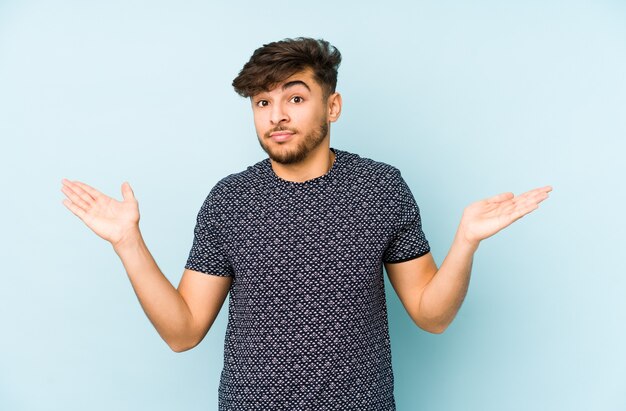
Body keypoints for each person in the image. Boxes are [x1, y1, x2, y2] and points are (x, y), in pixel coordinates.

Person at [61, 37, 552, 410]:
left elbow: (431, 314)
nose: (276, 115)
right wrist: (128, 242)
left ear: (331, 106)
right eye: (262, 102)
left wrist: (465, 242)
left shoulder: (381, 188)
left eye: (295, 98)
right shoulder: (229, 200)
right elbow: (183, 331)